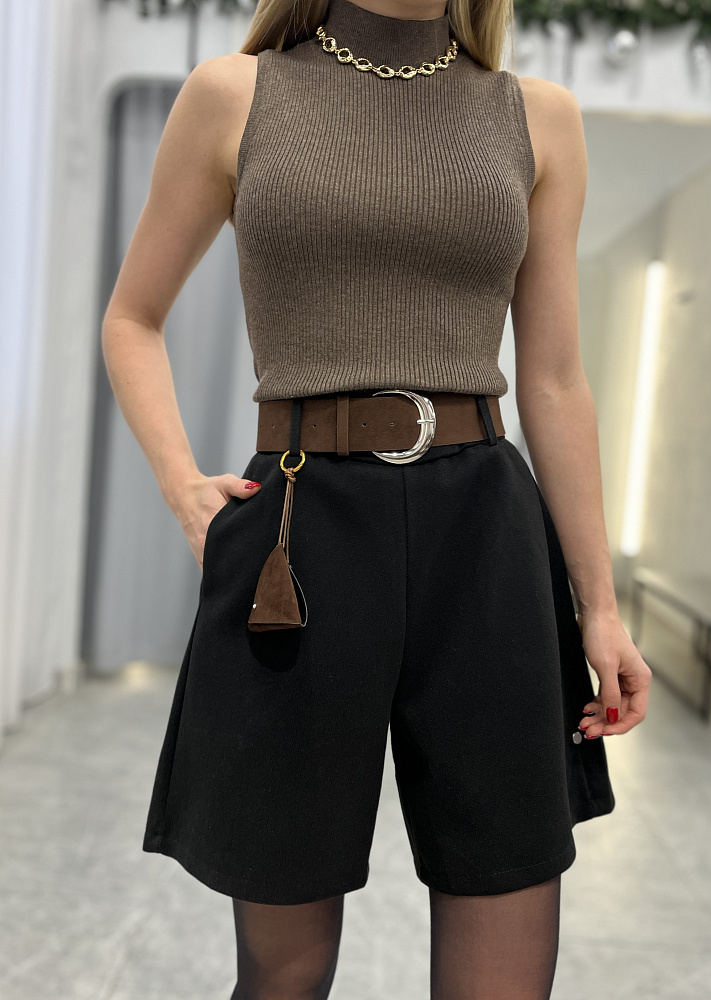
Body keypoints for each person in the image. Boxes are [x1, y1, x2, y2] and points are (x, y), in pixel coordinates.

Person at [102, 0, 652, 996]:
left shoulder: (539, 117)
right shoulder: (236, 95)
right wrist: (183, 485)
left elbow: (555, 377)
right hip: (299, 532)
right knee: (282, 976)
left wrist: (600, 605)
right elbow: (132, 317)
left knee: (505, 957)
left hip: (486, 538)